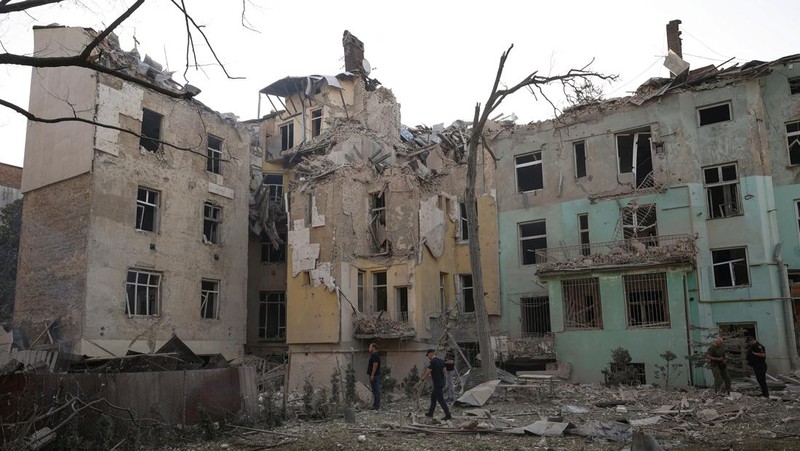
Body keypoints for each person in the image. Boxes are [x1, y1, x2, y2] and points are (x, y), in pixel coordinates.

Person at [420, 349, 452, 420]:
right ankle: (430, 413)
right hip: (441, 382)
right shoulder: (441, 361)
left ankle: (448, 415)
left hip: (437, 384)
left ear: (431, 354)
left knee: (441, 399)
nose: (428, 357)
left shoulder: (433, 362)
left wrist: (422, 379)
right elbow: (444, 371)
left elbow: (428, 371)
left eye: (428, 355)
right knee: (433, 397)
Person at [367, 343, 381, 410]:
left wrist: (372, 375)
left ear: (373, 348)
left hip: (375, 375)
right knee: (374, 390)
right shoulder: (373, 355)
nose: (369, 349)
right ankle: (375, 405)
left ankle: (377, 406)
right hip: (373, 375)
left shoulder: (375, 355)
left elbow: (375, 365)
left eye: (370, 347)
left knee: (376, 390)